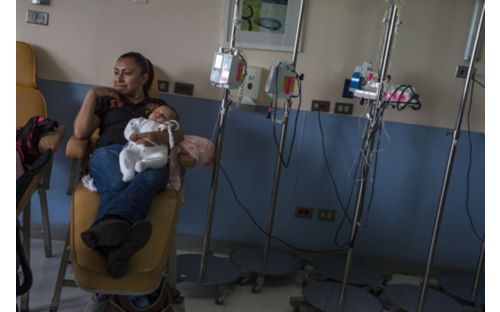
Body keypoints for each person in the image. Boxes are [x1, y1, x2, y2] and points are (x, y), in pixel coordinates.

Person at [73, 51, 181, 278]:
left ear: (144, 78)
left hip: (146, 155)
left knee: (152, 177)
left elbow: (177, 133)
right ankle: (122, 240)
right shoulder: (107, 103)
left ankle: (109, 243)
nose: (118, 79)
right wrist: (92, 94)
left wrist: (163, 137)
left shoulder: (158, 106)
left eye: (127, 73)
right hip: (109, 153)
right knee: (117, 181)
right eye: (116, 73)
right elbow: (80, 132)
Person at [119, 105, 180, 183]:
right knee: (124, 154)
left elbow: (176, 127)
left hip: (155, 152)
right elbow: (130, 126)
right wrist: (131, 135)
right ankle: (128, 172)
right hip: (136, 149)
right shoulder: (141, 121)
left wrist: (170, 125)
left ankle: (145, 164)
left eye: (163, 116)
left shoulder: (166, 128)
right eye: (156, 112)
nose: (158, 115)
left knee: (162, 159)